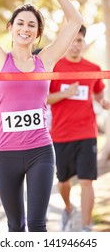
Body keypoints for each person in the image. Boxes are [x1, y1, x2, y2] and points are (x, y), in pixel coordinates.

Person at [0, 0, 82, 232]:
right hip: (5, 154)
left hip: (40, 151)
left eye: (32, 25)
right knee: (15, 226)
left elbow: (75, 20)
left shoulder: (47, 60)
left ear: (38, 32)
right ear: (11, 27)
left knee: (36, 223)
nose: (25, 28)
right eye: (20, 23)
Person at [47, 25, 110, 232]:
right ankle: (68, 208)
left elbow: (98, 92)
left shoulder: (93, 69)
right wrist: (66, 93)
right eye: (72, 41)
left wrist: (103, 102)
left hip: (86, 133)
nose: (75, 45)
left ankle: (85, 226)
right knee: (63, 182)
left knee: (86, 181)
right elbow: (44, 99)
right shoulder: (54, 67)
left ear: (84, 43)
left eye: (79, 40)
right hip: (61, 134)